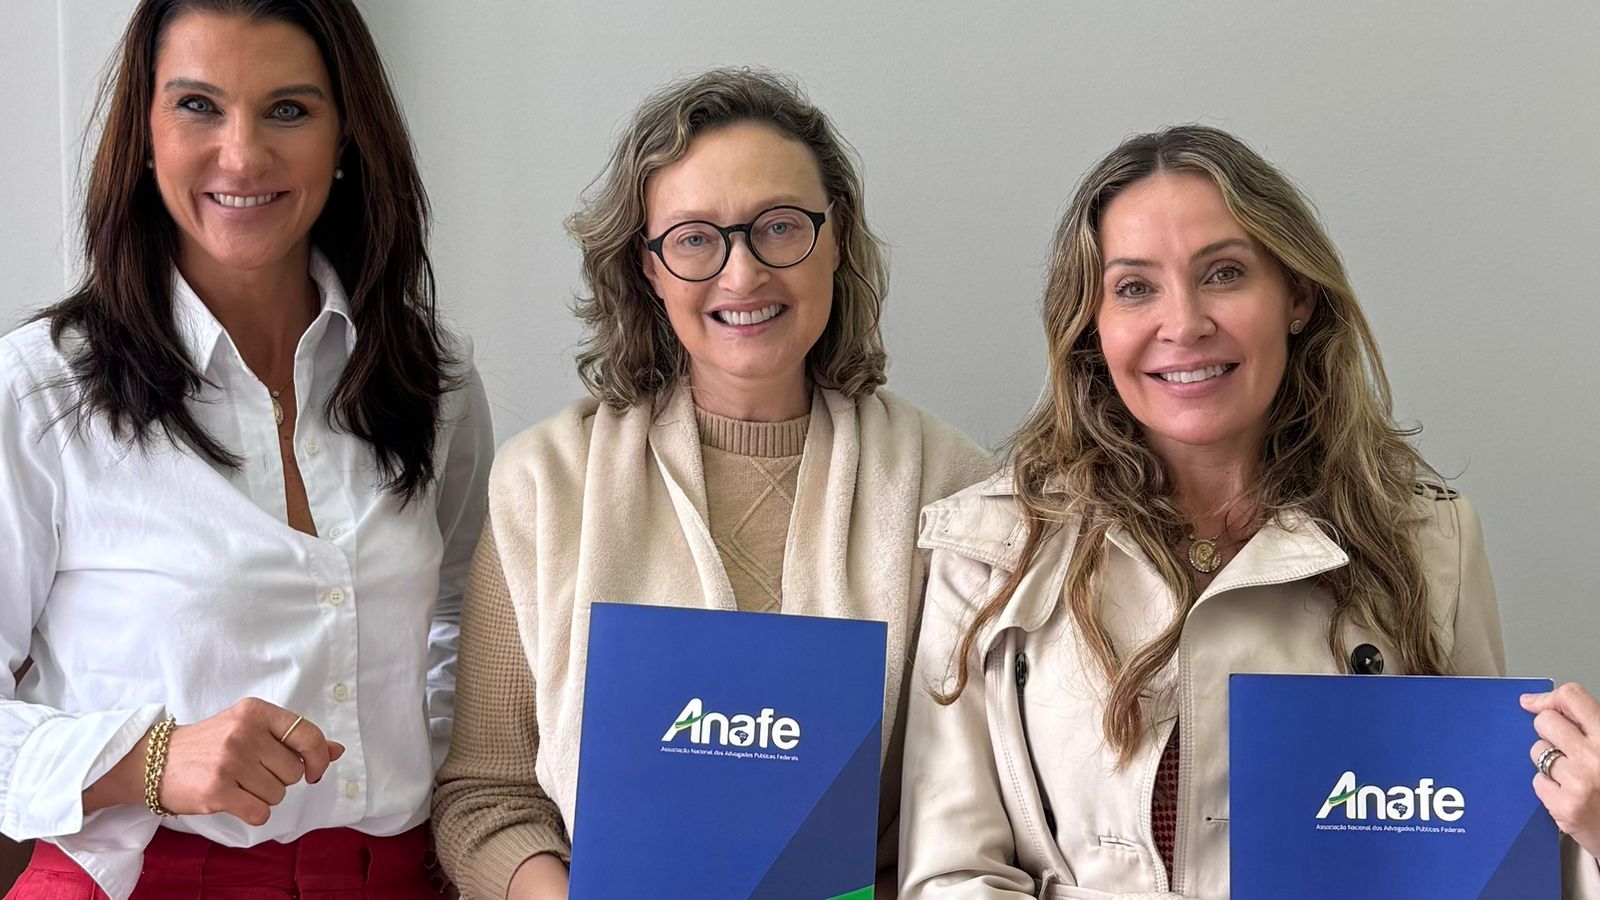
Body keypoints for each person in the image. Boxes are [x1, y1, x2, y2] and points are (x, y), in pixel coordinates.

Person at [897, 125, 1600, 897]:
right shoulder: (989, 545)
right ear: (1092, 324)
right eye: (1134, 287)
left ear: (1296, 296)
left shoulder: (1431, 539)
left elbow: (1475, 866)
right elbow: (952, 873)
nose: (1184, 323)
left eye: (1224, 274)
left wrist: (1593, 830)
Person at [431, 68, 992, 898]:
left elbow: (989, 815)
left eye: (779, 227)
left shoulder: (955, 493)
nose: (742, 274)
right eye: (695, 238)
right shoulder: (546, 487)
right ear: (648, 268)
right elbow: (487, 798)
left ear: (836, 238)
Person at [0, 1, 490, 896]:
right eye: (198, 106)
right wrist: (147, 760)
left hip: (397, 876)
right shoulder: (39, 390)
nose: (242, 156)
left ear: (345, 139)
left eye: (288, 109)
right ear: (144, 135)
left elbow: (463, 620)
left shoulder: (431, 376)